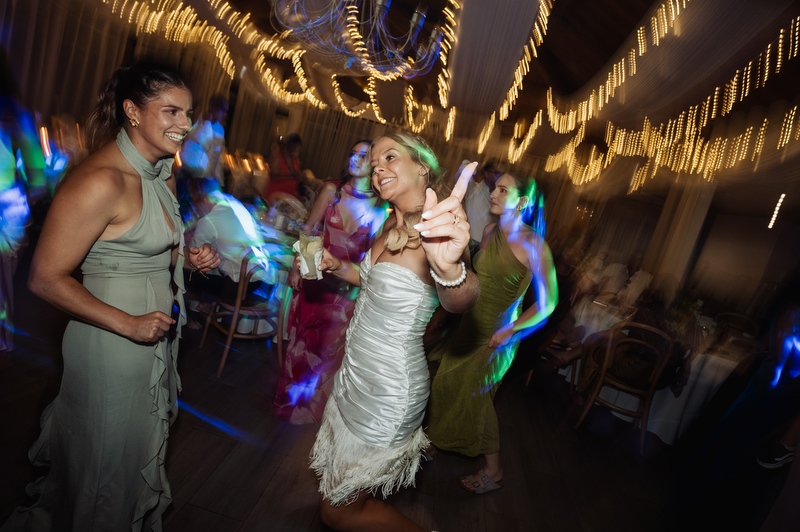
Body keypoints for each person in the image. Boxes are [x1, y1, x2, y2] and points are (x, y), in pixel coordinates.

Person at [1, 63, 220, 531]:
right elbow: (44, 277)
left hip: (155, 337)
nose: (185, 124)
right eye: (172, 111)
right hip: (110, 343)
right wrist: (128, 324)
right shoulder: (101, 180)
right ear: (132, 111)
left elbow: (154, 246)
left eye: (189, 113)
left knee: (131, 456)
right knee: (103, 467)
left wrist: (188, 257)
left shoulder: (164, 173)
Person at [309, 131, 480, 531]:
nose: (378, 168)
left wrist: (450, 270)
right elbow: (376, 282)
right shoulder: (391, 222)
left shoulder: (439, 228)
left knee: (338, 511)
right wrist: (337, 266)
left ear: (422, 167)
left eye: (390, 157)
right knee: (339, 496)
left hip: (388, 391)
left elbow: (462, 298)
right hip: (355, 376)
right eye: (374, 163)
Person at [425, 173, 558, 494]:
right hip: (470, 325)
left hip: (498, 336)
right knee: (445, 381)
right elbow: (476, 278)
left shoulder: (534, 245)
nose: (493, 194)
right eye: (495, 187)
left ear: (522, 201)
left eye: (502, 190)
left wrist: (511, 330)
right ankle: (435, 440)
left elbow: (548, 303)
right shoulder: (489, 231)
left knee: (476, 397)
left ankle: (494, 470)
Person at [273, 140, 388, 424]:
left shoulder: (381, 206)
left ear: (375, 164)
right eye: (352, 153)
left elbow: (373, 257)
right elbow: (310, 229)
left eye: (363, 155)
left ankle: (319, 411)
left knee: (330, 351)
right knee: (303, 343)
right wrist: (297, 267)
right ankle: (293, 405)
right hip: (316, 279)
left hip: (347, 290)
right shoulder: (331, 190)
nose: (355, 158)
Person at [264, 133, 302, 200]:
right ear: (290, 145)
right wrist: (289, 176)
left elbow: (297, 175)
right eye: (295, 147)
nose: (296, 150)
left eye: (298, 147)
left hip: (289, 195)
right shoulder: (278, 155)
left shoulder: (295, 159)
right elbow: (273, 176)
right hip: (276, 194)